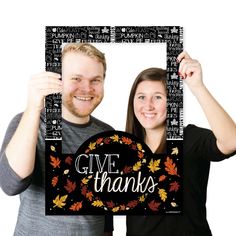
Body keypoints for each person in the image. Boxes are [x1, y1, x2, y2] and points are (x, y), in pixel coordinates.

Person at [0, 43, 113, 236]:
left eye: (95, 80)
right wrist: (34, 107)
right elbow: (10, 184)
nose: (87, 88)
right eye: (76, 78)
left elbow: (105, 210)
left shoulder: (107, 134)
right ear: (57, 80)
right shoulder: (28, 122)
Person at [125, 51, 236, 236]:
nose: (148, 105)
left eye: (158, 97)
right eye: (141, 97)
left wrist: (197, 86)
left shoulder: (189, 139)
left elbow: (231, 141)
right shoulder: (126, 149)